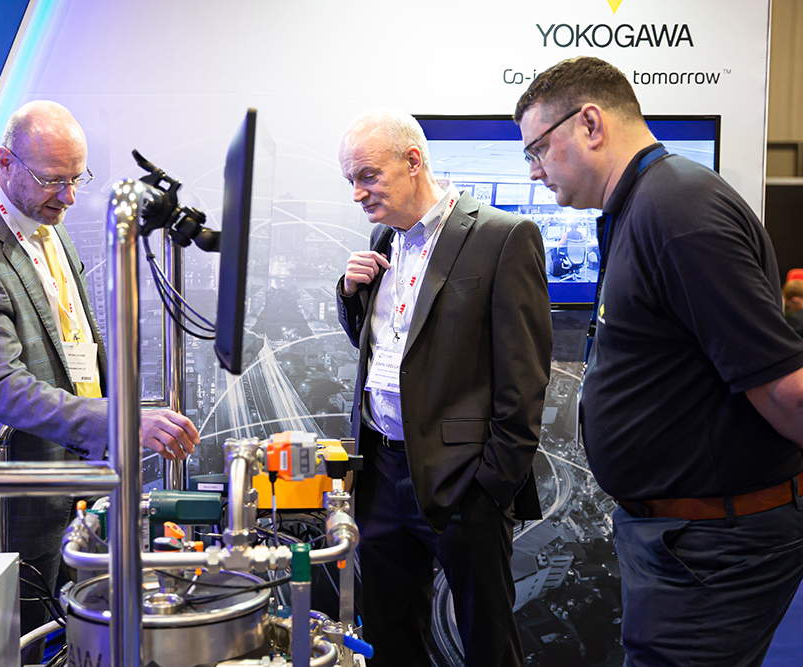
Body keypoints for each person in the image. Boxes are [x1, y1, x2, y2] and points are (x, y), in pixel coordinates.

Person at [515, 56, 803, 667]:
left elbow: (786, 391)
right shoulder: (643, 205)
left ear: (590, 124)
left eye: (537, 149)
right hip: (685, 538)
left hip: (710, 545)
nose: (534, 171)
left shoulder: (678, 211)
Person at [0, 100, 199, 662]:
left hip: (82, 476)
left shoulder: (46, 218)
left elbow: (77, 344)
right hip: (18, 495)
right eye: (54, 180)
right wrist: (121, 421)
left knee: (82, 641)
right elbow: (1, 389)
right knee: (24, 647)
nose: (70, 197)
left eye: (78, 178)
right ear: (6, 161)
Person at [335, 109, 552, 667]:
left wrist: (491, 486)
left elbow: (525, 378)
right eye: (351, 180)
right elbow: (394, 348)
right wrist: (350, 296)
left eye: (367, 176)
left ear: (413, 161)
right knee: (390, 638)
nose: (357, 193)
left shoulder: (502, 237)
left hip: (463, 480)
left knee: (486, 642)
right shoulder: (384, 238)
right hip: (381, 472)